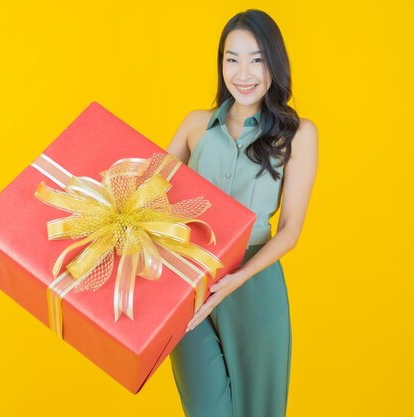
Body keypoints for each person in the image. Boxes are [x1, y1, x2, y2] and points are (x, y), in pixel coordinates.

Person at [166, 9, 318, 417]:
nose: (243, 72)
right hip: (190, 288)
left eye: (256, 59)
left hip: (255, 286)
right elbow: (145, 198)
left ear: (274, 62)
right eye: (232, 59)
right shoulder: (195, 126)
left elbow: (289, 231)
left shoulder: (298, 134)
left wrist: (236, 280)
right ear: (221, 64)